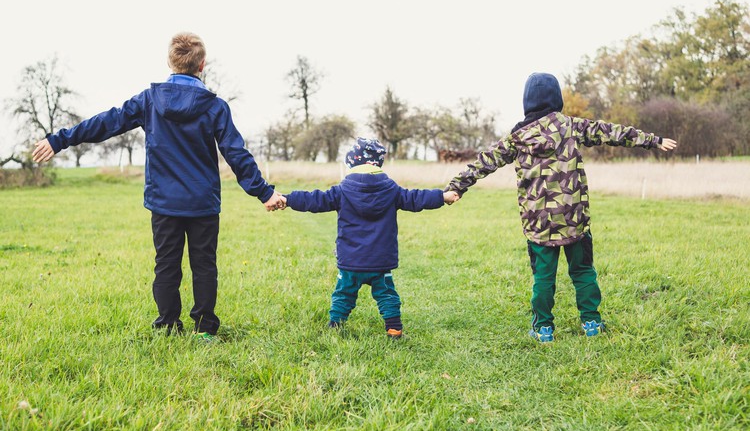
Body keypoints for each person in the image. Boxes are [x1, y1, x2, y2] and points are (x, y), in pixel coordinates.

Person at [32, 31, 284, 342]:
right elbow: (236, 153)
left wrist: (59, 140)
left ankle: (167, 326)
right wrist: (265, 192)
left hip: (164, 202)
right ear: (202, 64)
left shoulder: (150, 100)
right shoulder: (215, 106)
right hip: (202, 203)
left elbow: (106, 122)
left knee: (166, 266)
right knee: (204, 265)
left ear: (170, 62)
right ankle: (204, 330)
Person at [445, 72, 677, 343]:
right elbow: (610, 132)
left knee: (543, 277)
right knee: (583, 271)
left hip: (539, 225)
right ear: (557, 99)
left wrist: (457, 186)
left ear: (527, 102)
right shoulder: (570, 126)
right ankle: (591, 322)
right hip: (574, 218)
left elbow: (485, 161)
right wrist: (653, 140)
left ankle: (543, 328)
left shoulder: (517, 137)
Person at [278, 137, 459, 338]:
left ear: (352, 163)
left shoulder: (342, 190)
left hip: (350, 261)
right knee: (387, 295)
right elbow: (415, 198)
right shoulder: (391, 190)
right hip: (380, 261)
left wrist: (288, 199)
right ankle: (393, 328)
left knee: (343, 294)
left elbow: (314, 199)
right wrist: (442, 197)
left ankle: (335, 325)